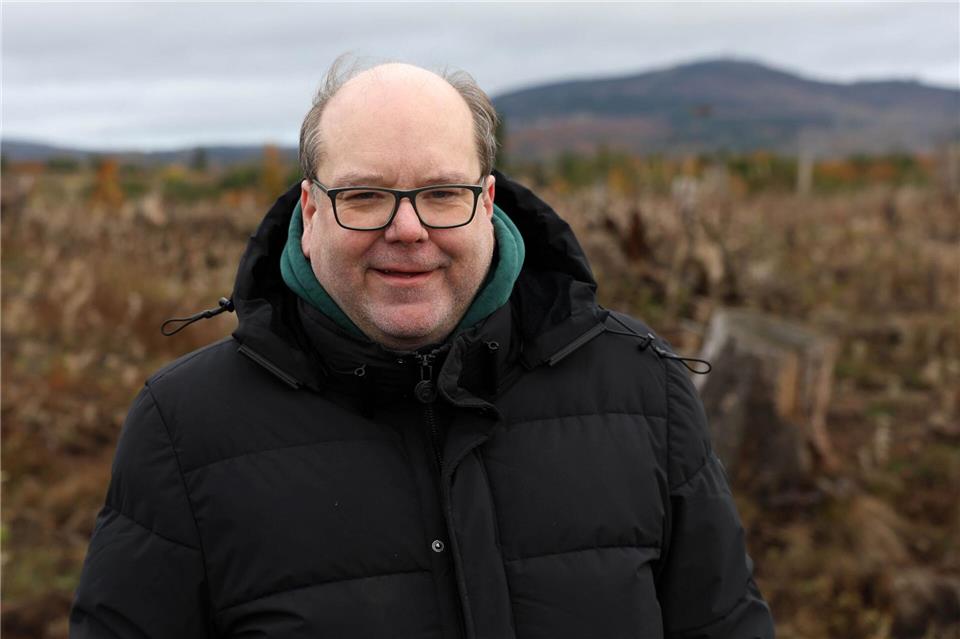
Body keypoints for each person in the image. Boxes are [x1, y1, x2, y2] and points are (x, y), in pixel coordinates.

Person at [70, 60, 775, 639]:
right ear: (310, 211)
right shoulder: (184, 427)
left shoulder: (639, 385)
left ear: (487, 201)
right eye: (367, 195)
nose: (408, 229)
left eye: (441, 193)